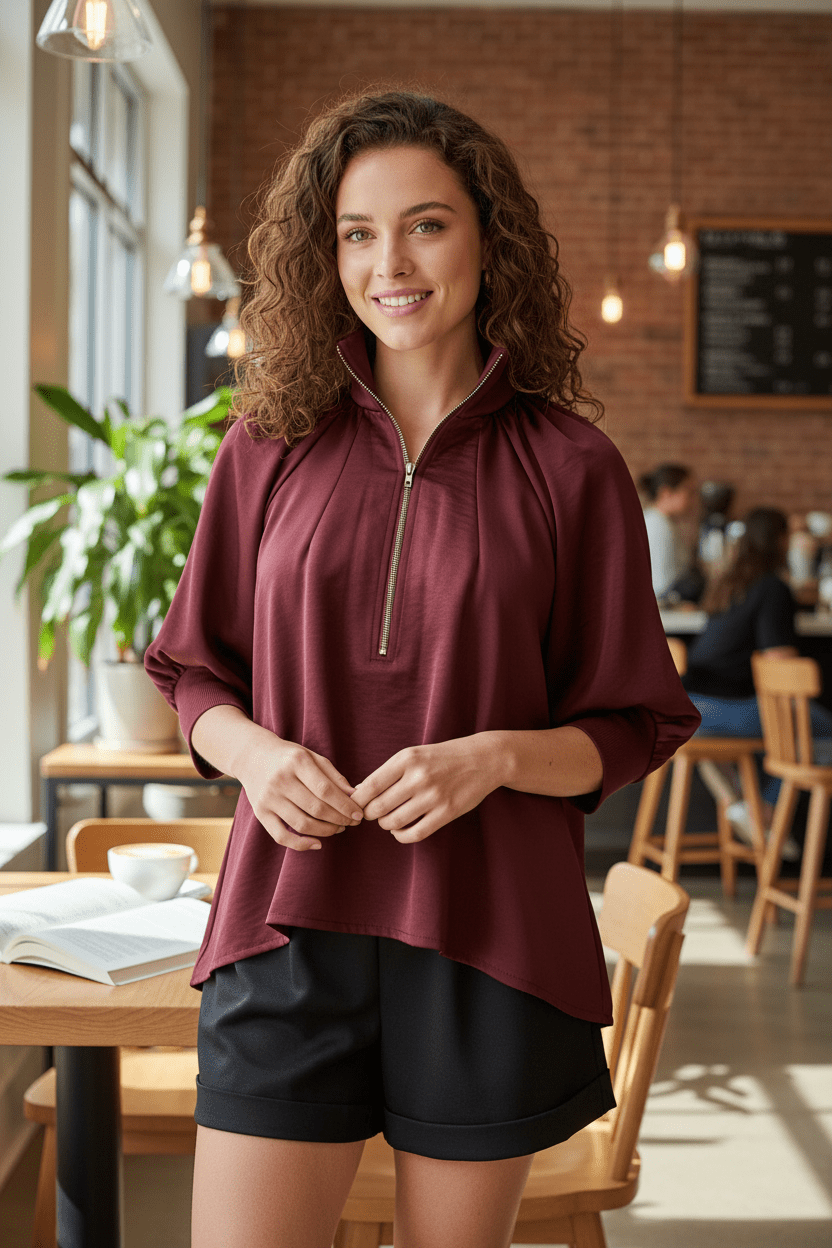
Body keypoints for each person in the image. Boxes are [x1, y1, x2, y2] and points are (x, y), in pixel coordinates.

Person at [143, 89, 700, 1248]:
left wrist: (490, 759)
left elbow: (632, 721)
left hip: (485, 926)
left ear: (487, 239)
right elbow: (194, 673)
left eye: (425, 224)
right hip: (282, 923)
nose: (388, 261)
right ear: (325, 251)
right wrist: (251, 753)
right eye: (356, 231)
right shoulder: (264, 445)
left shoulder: (572, 465)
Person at [681, 507, 832, 847]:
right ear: (780, 541)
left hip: (691, 706)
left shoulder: (726, 583)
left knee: (780, 732)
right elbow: (779, 661)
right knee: (811, 732)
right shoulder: (772, 588)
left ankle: (738, 804)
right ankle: (763, 813)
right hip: (721, 708)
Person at [638, 462, 703, 603]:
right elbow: (662, 585)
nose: (694, 500)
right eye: (689, 493)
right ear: (666, 493)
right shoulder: (657, 525)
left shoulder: (664, 522)